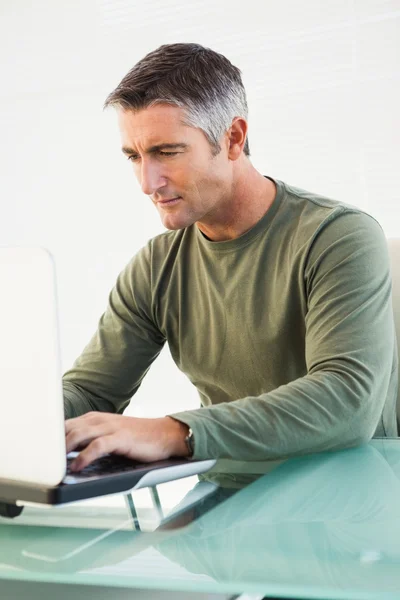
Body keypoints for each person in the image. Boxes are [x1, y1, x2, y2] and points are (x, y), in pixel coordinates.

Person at [63, 42, 398, 473]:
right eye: (134, 156)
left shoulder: (339, 237)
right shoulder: (156, 266)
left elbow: (347, 400)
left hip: (344, 496)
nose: (148, 182)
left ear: (234, 138)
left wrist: (175, 432)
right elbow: (90, 393)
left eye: (167, 152)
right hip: (228, 495)